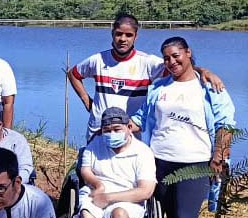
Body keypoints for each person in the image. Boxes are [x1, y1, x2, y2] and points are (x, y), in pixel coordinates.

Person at [131, 37, 235, 218]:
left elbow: (225, 123)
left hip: (195, 163)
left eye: (176, 55)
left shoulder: (209, 87)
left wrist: (219, 157)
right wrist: (119, 129)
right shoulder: (159, 87)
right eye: (166, 58)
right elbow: (142, 118)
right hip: (160, 161)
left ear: (188, 53)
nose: (172, 62)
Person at [68, 13, 223, 141]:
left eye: (128, 35)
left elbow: (178, 68)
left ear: (135, 37)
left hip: (133, 134)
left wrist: (202, 70)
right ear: (112, 34)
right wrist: (87, 101)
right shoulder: (97, 60)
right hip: (99, 130)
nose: (123, 39)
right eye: (119, 34)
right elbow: (73, 74)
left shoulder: (147, 62)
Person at [77, 107, 156, 218]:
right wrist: (98, 185)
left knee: (119, 213)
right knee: (87, 210)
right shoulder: (95, 145)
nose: (111, 134)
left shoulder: (142, 152)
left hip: (127, 197)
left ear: (129, 127)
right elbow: (85, 170)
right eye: (107, 130)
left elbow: (145, 191)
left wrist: (110, 198)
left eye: (116, 129)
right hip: (97, 192)